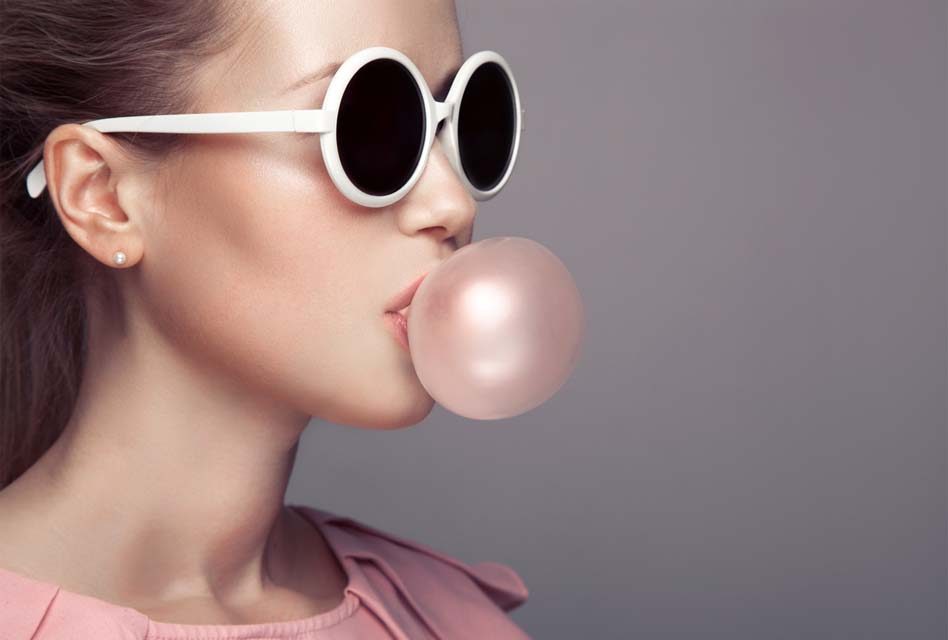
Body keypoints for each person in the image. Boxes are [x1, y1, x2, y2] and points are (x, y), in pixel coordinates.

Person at [0, 1, 530, 637]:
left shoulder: (452, 620)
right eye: (368, 124)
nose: (452, 202)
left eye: (466, 118)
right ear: (103, 196)